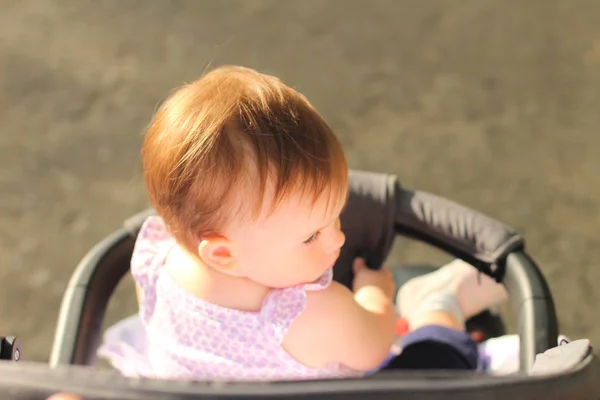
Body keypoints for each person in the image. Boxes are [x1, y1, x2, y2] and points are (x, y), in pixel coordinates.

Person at [98, 65, 508, 381]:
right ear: (223, 253)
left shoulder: (156, 255)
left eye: (335, 218)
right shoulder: (306, 314)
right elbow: (375, 342)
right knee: (434, 366)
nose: (339, 240)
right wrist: (375, 295)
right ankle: (437, 307)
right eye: (312, 235)